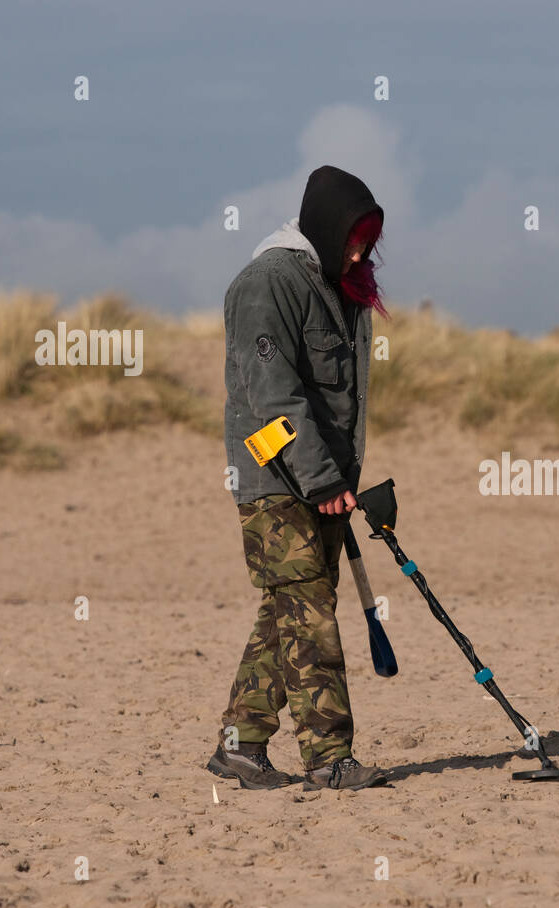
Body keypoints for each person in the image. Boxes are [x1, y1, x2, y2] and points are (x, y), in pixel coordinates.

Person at [207, 165, 392, 791]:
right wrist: (317, 477)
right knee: (309, 616)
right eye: (353, 238)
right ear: (327, 226)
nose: (361, 251)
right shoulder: (267, 284)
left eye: (368, 240)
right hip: (272, 476)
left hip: (324, 479)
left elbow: (342, 399)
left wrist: (343, 477)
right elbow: (274, 400)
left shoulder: (340, 286)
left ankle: (240, 745)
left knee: (288, 610)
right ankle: (329, 760)